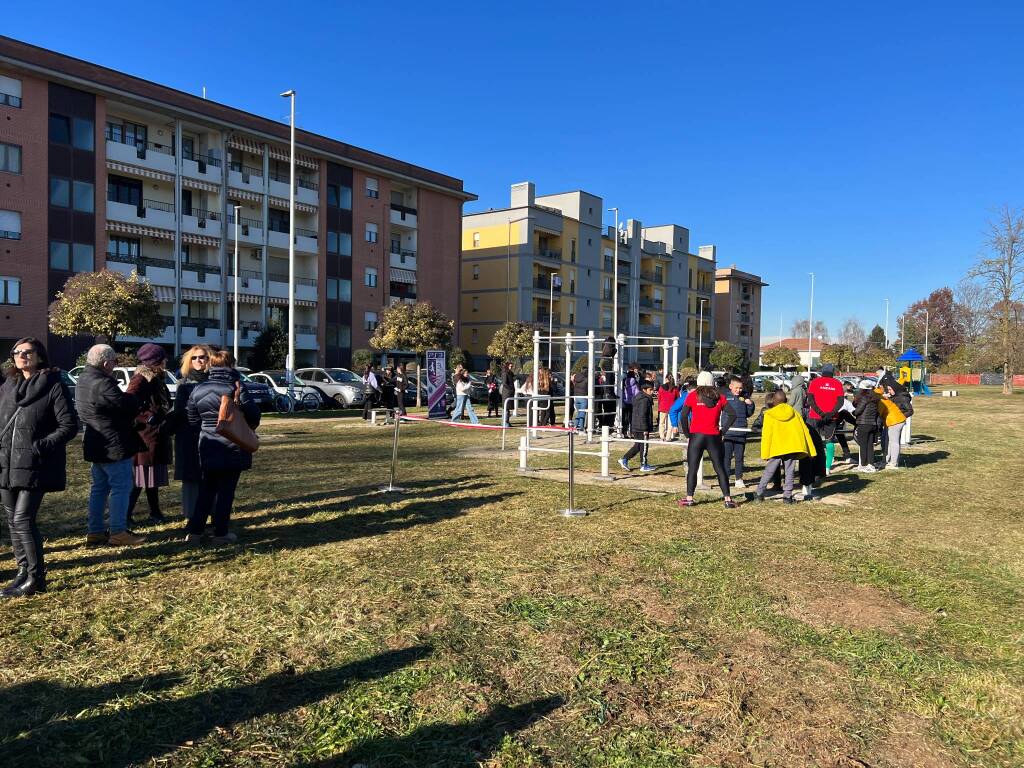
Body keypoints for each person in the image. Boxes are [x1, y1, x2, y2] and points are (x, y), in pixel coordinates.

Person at [0, 337, 78, 597]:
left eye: (28, 352)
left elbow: (68, 426)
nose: (22, 356)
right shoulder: (9, 385)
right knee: (12, 520)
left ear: (40, 356)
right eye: (17, 352)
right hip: (7, 462)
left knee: (23, 519)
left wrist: (40, 446)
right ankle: (22, 572)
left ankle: (36, 578)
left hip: (36, 463)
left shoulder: (53, 385)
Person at [184, 350, 260, 545]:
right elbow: (253, 414)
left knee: (206, 490)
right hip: (232, 444)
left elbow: (192, 418)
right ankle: (221, 533)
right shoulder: (236, 387)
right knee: (226, 492)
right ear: (230, 365)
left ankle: (195, 532)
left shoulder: (198, 388)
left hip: (208, 444)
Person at [76, 344, 147, 548]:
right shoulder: (103, 383)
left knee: (99, 489)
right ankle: (118, 531)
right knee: (121, 487)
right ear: (106, 363)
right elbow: (126, 406)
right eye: (115, 362)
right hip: (113, 443)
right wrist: (134, 395)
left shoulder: (83, 379)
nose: (115, 365)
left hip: (94, 441)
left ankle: (95, 531)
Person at [669, 371, 737, 508]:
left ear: (698, 382)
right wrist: (722, 431)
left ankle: (689, 498)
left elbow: (683, 416)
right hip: (714, 436)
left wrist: (688, 433)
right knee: (720, 468)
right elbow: (732, 415)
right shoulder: (720, 397)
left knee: (692, 468)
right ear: (713, 382)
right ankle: (728, 500)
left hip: (696, 436)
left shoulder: (692, 396)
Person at [126, 343, 173, 524]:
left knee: (149, 476)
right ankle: (126, 514)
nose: (166, 360)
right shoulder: (141, 379)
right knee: (141, 476)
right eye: (163, 358)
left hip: (155, 434)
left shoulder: (157, 377)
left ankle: (155, 512)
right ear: (155, 360)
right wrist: (146, 417)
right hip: (145, 436)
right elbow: (129, 401)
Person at [755, 390, 818, 504]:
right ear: (786, 400)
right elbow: (804, 430)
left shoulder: (769, 414)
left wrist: (765, 452)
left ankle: (759, 493)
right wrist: (811, 450)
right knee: (790, 472)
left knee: (769, 470)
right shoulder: (794, 412)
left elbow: (767, 435)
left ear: (773, 401)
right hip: (792, 447)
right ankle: (787, 497)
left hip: (776, 447)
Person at [174, 345, 210, 520]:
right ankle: (191, 517)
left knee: (212, 476)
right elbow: (179, 411)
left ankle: (213, 514)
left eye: (202, 357)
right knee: (190, 479)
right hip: (188, 436)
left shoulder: (215, 381)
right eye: (194, 358)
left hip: (210, 435)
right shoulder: (183, 383)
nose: (198, 361)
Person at [722, 375, 755, 488]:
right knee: (726, 457)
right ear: (731, 386)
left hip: (741, 432)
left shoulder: (744, 398)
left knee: (739, 457)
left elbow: (748, 413)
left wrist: (750, 405)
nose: (738, 390)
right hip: (728, 433)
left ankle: (738, 479)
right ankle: (725, 478)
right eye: (736, 388)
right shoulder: (725, 397)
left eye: (740, 388)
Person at [619, 379, 657, 472]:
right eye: (650, 390)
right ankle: (644, 464)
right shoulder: (644, 400)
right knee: (644, 445)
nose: (652, 392)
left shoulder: (640, 397)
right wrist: (645, 428)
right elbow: (642, 414)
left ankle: (624, 459)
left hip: (636, 425)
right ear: (644, 390)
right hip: (641, 426)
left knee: (638, 446)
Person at [878, 383, 909, 469]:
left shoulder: (881, 401)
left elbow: (878, 414)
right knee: (889, 442)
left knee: (894, 442)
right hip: (893, 421)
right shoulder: (883, 399)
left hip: (896, 421)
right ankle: (887, 461)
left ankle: (894, 463)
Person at [853, 380, 882, 472]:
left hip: (863, 423)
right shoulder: (875, 398)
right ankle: (871, 464)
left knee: (863, 445)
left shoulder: (864, 398)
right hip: (872, 424)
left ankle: (863, 465)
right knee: (870, 445)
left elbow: (858, 411)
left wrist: (852, 411)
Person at [657, 375, 679, 442]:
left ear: (666, 379)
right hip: (671, 408)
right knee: (670, 424)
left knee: (661, 423)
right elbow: (677, 398)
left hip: (662, 407)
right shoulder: (675, 388)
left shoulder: (661, 387)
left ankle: (662, 436)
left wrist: (659, 404)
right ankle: (668, 437)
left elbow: (659, 397)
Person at [621, 365, 639, 436]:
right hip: (632, 403)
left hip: (625, 402)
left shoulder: (623, 383)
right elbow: (637, 394)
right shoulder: (635, 384)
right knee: (632, 418)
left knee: (625, 418)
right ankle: (632, 432)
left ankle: (624, 432)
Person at [571, 366, 589, 431]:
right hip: (583, 396)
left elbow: (573, 381)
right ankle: (578, 427)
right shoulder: (587, 378)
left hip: (576, 396)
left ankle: (578, 427)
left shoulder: (576, 376)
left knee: (579, 412)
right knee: (581, 413)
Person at [500, 361, 516, 428]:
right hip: (506, 392)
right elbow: (504, 383)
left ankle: (507, 422)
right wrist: (511, 388)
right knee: (505, 408)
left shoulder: (510, 373)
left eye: (512, 366)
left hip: (510, 392)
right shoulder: (504, 373)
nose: (511, 367)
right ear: (507, 366)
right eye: (510, 366)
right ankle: (505, 422)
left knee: (508, 408)